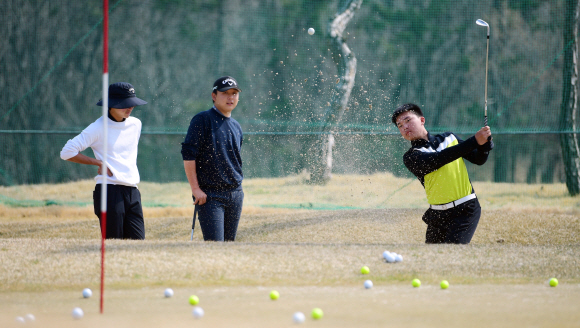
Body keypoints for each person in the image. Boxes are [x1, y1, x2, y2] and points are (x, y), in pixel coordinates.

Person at [392, 103, 494, 244]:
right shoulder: (411, 157)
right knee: (432, 259)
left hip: (466, 210)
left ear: (422, 120)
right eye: (400, 125)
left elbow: (478, 159)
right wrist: (474, 141)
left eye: (408, 121)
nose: (404, 127)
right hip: (437, 214)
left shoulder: (449, 138)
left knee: (451, 254)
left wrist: (484, 147)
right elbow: (438, 159)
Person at [60, 82, 147, 240]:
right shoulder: (98, 127)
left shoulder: (136, 124)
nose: (129, 108)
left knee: (138, 245)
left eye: (132, 104)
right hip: (109, 192)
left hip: (133, 191)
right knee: (113, 244)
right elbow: (67, 152)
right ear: (111, 105)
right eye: (124, 104)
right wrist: (98, 163)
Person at [181, 76, 244, 241]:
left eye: (234, 93)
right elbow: (188, 155)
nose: (230, 97)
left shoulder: (236, 126)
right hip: (210, 196)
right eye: (225, 93)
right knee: (215, 247)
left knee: (229, 247)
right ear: (214, 96)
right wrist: (195, 189)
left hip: (235, 194)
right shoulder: (202, 120)